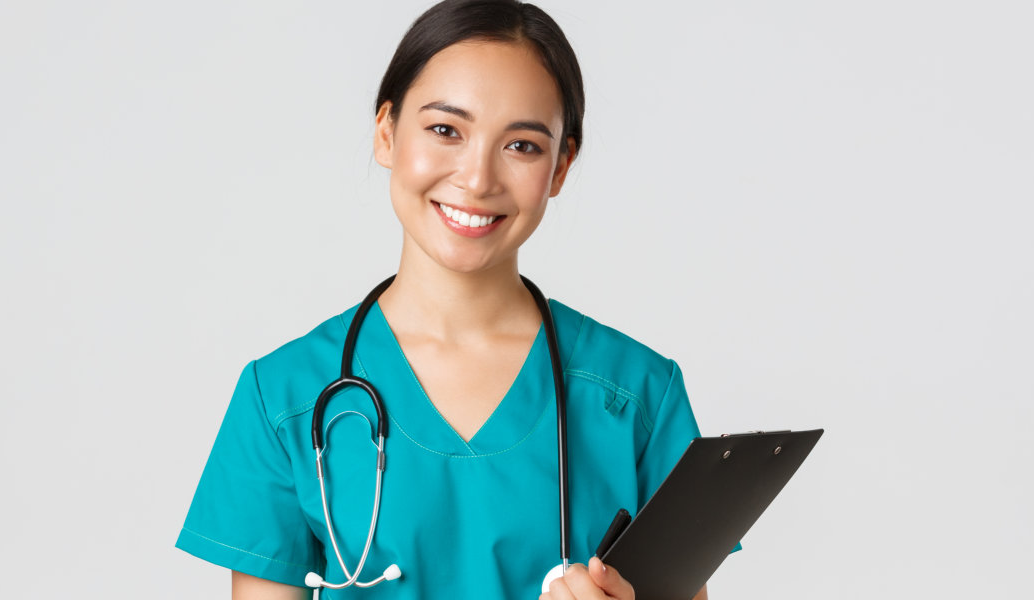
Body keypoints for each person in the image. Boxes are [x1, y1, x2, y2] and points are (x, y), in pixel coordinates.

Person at [177, 1, 725, 598]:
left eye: (522, 146)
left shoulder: (638, 397)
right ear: (386, 131)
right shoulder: (282, 399)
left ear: (561, 167)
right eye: (445, 130)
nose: (478, 177)